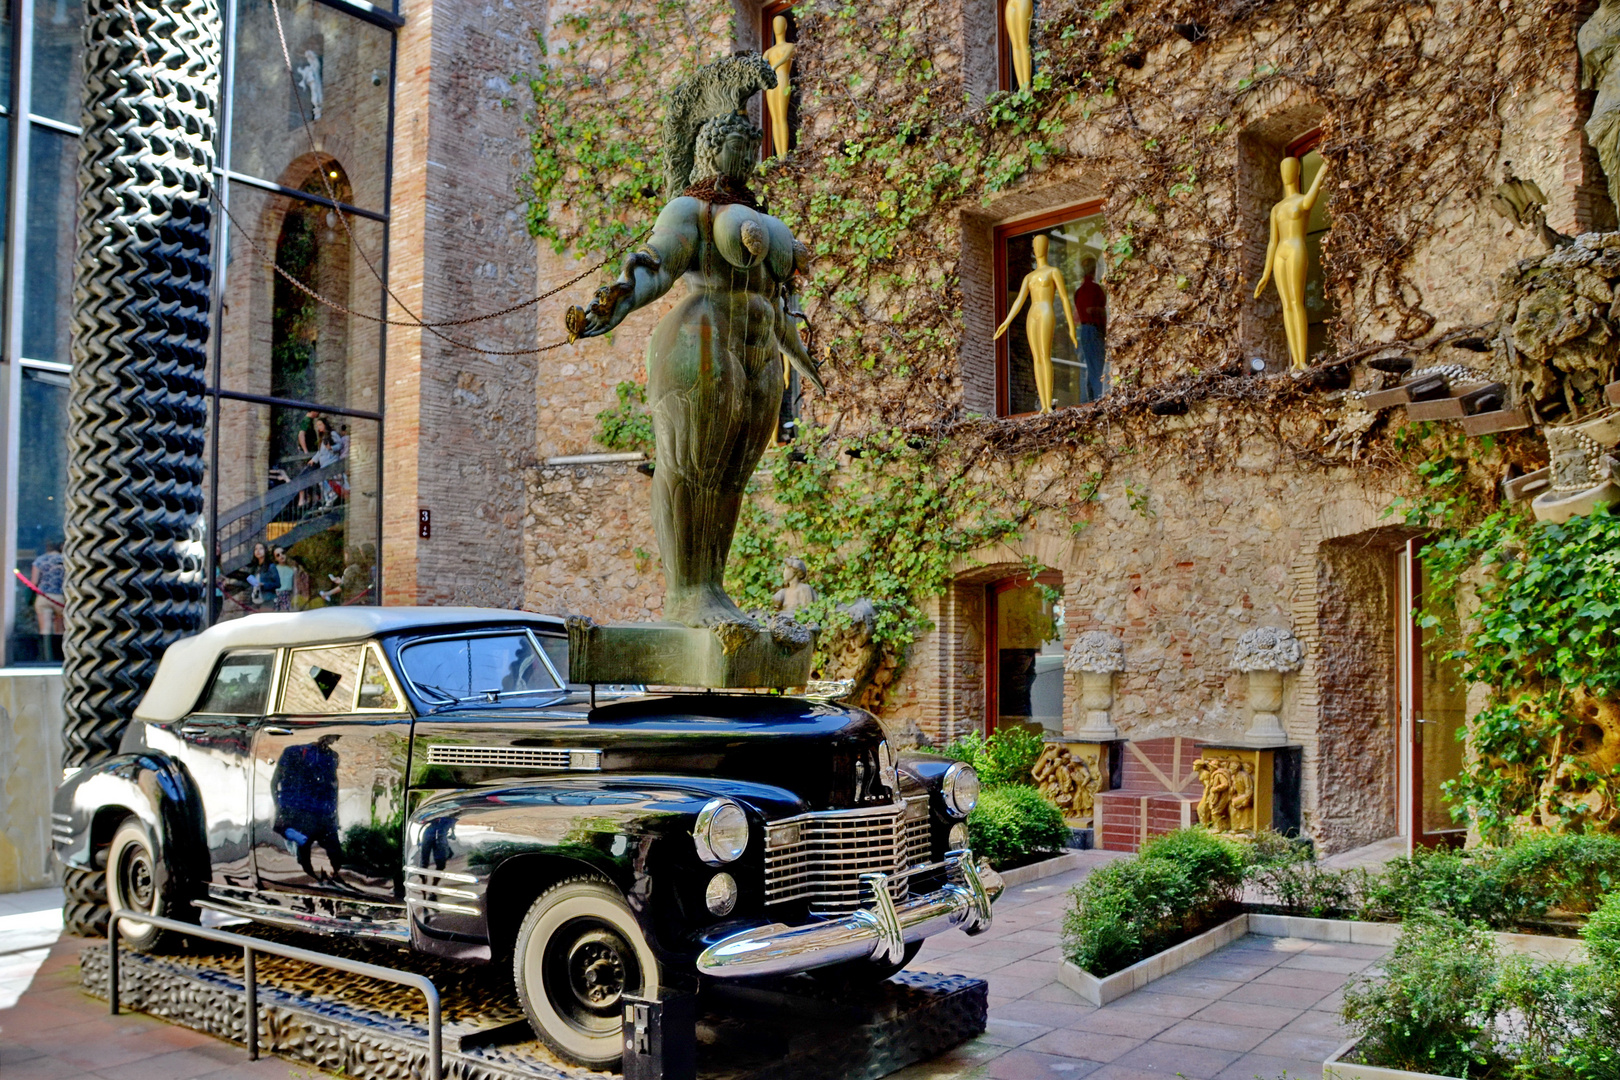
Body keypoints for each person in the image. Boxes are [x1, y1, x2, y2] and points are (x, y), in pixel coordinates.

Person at [1254, 154, 1329, 372]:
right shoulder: (1277, 208)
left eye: (1290, 168)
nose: (1286, 173)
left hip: (1296, 247)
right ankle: (1294, 359)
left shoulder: (1301, 200)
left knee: (1297, 302)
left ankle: (1302, 359)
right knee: (1286, 304)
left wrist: (1324, 166)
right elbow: (1271, 242)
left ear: (1297, 172)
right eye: (1283, 169)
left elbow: (1313, 194)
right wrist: (1265, 274)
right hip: (1280, 252)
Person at [994, 234, 1079, 414]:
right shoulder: (1029, 276)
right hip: (1032, 313)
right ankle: (1043, 404)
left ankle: (1049, 405)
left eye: (1041, 244)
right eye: (1035, 244)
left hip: (1047, 310)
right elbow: (1019, 300)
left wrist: (1071, 327)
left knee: (1045, 355)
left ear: (1047, 247)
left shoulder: (1053, 271)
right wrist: (1006, 322)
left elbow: (1064, 298)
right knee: (1036, 358)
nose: (1038, 247)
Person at [1074, 255, 1108, 402]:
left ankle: (1088, 401)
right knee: (1097, 367)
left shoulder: (1080, 291)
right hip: (1095, 330)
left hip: (1084, 331)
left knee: (1087, 367)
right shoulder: (1094, 289)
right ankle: (1099, 399)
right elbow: (1100, 310)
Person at [30, 541, 65, 661]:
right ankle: (60, 656)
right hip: (61, 598)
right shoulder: (65, 560)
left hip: (44, 596)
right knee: (60, 630)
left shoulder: (40, 560)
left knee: (45, 628)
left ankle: (46, 657)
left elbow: (34, 582)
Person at [272, 547, 297, 611]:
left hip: (287, 595)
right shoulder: (274, 569)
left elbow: (294, 586)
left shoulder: (292, 569)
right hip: (276, 595)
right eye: (278, 555)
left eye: (282, 553)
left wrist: (295, 597)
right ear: (276, 558)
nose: (281, 556)